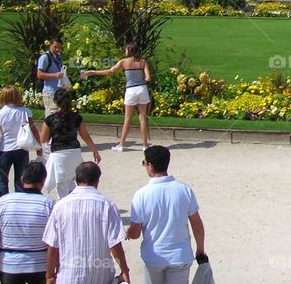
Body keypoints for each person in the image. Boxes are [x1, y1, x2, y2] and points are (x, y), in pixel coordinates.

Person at [127, 146, 206, 284]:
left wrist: (127, 232)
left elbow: (135, 233)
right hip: (180, 256)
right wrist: (200, 249)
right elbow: (197, 224)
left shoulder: (141, 195)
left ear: (150, 165)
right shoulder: (184, 190)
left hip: (153, 257)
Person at [42, 162, 130, 284]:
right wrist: (124, 269)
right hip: (101, 277)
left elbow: (52, 245)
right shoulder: (107, 205)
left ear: (76, 180)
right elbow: (115, 244)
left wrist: (50, 275)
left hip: (68, 277)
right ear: (97, 181)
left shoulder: (60, 206)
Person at [80, 44, 151, 152]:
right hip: (142, 89)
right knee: (142, 118)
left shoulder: (124, 62)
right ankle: (145, 146)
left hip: (131, 90)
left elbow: (109, 71)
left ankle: (121, 145)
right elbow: (148, 78)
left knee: (127, 118)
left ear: (129, 51)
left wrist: (93, 72)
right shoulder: (143, 62)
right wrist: (141, 80)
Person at [0, 161, 54, 284]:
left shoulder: (3, 202)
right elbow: (54, 241)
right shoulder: (49, 204)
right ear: (43, 182)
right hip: (39, 265)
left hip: (9, 265)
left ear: (21, 179)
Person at [40, 89, 101, 199]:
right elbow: (85, 136)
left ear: (55, 101)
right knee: (74, 180)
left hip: (59, 154)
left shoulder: (50, 119)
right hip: (74, 153)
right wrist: (95, 151)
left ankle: (64, 205)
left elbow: (43, 139)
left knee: (61, 184)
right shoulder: (77, 117)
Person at [0, 85, 42, 196]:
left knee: (2, 180)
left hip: (5, 149)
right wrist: (38, 146)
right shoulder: (25, 111)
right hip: (22, 148)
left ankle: (3, 200)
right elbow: (33, 130)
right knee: (21, 180)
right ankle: (20, 200)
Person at [36, 38, 67, 117]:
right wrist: (54, 75)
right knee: (51, 117)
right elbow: (39, 74)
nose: (57, 49)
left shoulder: (59, 57)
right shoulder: (45, 58)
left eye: (59, 47)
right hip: (50, 92)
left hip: (59, 93)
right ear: (50, 45)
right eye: (55, 47)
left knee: (60, 116)